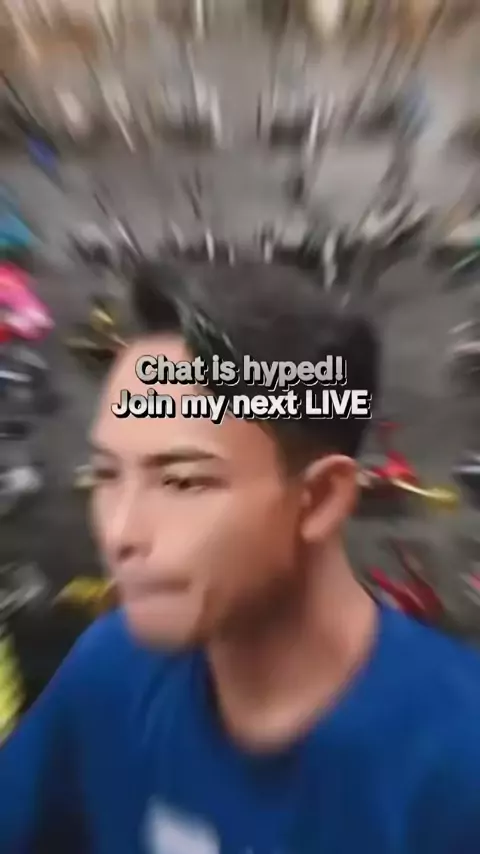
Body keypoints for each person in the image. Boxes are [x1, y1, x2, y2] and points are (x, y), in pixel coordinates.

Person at [1, 261, 480, 854]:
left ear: (320, 499)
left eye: (182, 481)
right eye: (106, 474)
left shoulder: (458, 764)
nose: (120, 532)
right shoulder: (111, 672)